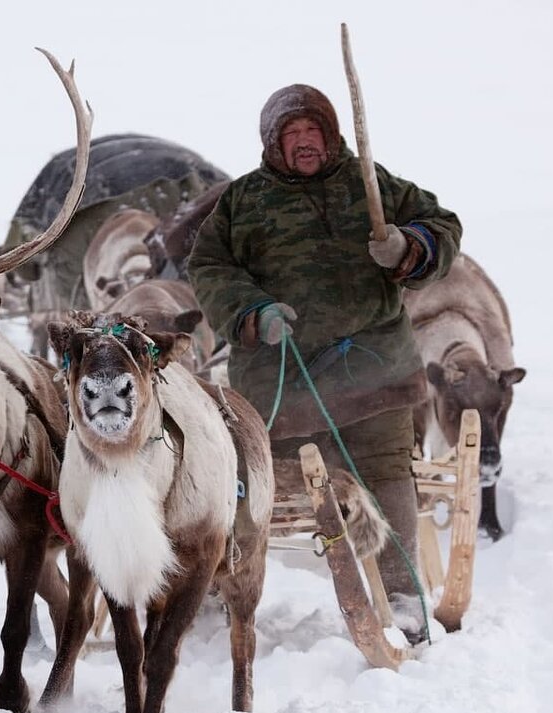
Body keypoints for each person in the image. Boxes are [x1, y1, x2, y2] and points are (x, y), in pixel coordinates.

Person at [186, 84, 462, 643]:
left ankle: (403, 597)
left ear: (333, 135)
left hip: (376, 366)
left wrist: (410, 245)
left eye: (314, 132)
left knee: (386, 475)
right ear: (272, 143)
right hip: (284, 380)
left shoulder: (373, 183)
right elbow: (208, 266)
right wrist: (251, 311)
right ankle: (226, 588)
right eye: (292, 135)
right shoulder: (243, 201)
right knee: (269, 489)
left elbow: (444, 225)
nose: (305, 142)